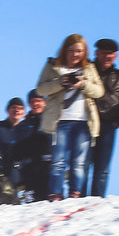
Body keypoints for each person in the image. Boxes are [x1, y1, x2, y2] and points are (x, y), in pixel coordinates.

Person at [35, 33, 104, 199]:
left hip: (83, 121)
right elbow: (40, 89)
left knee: (79, 162)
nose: (75, 54)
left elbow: (99, 91)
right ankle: (56, 193)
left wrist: (83, 84)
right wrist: (60, 82)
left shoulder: (89, 68)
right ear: (65, 50)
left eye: (79, 51)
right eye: (72, 50)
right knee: (58, 161)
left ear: (84, 52)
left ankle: (75, 193)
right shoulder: (52, 65)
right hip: (60, 120)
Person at [87, 38, 119, 197]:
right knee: (82, 164)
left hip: (108, 127)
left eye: (110, 54)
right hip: (86, 124)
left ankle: (96, 199)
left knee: (102, 168)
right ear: (96, 53)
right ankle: (77, 199)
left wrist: (117, 123)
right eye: (103, 53)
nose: (107, 57)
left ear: (115, 56)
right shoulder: (87, 71)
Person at [0, 97, 32, 191]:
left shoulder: (28, 129)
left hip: (24, 172)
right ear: (7, 110)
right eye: (13, 107)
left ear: (24, 112)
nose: (16, 110)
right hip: (3, 172)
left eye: (20, 108)